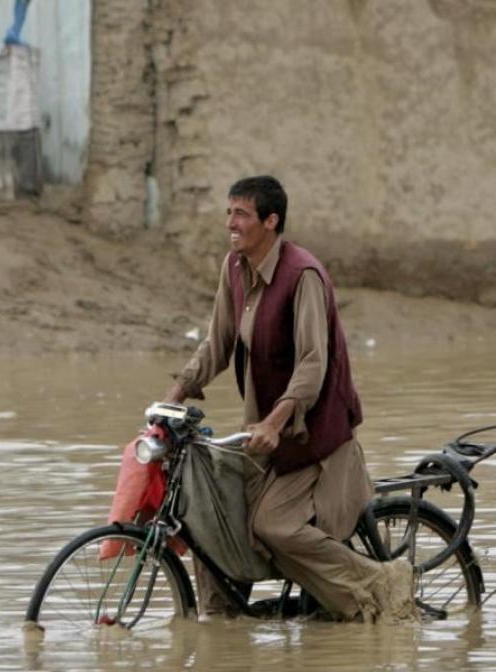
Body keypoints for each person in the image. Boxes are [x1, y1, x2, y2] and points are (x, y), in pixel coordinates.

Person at [163, 175, 414, 622]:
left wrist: (275, 422)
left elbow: (312, 365)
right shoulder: (234, 269)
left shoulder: (303, 276)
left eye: (241, 214)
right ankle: (223, 615)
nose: (231, 223)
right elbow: (216, 344)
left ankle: (381, 583)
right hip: (263, 434)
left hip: (312, 438)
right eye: (229, 213)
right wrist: (172, 397)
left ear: (270, 221)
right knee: (206, 507)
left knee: (271, 526)